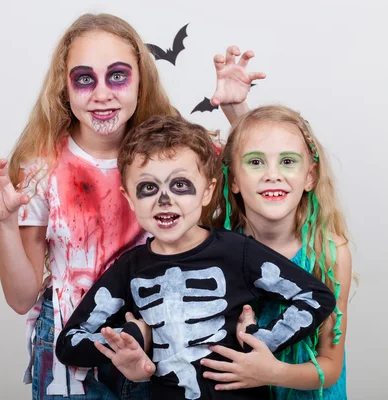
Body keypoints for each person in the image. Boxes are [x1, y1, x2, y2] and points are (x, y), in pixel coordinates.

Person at [0, 11, 265, 398]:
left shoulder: (175, 152)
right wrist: (5, 222)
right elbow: (22, 298)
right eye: (85, 79)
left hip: (159, 339)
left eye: (118, 76)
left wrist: (236, 112)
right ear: (64, 88)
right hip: (71, 350)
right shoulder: (43, 169)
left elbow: (257, 187)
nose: (102, 93)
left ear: (141, 81)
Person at [54, 114, 337, 400]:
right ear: (129, 198)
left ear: (207, 191)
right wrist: (130, 339)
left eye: (180, 185)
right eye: (148, 188)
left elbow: (316, 297)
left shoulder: (236, 251)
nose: (165, 200)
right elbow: (68, 344)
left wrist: (261, 341)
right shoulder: (130, 269)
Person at [199, 105, 353, 399]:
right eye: (256, 162)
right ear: (233, 180)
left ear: (310, 177)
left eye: (287, 161)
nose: (273, 175)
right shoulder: (214, 251)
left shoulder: (329, 253)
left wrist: (270, 373)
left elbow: (330, 366)